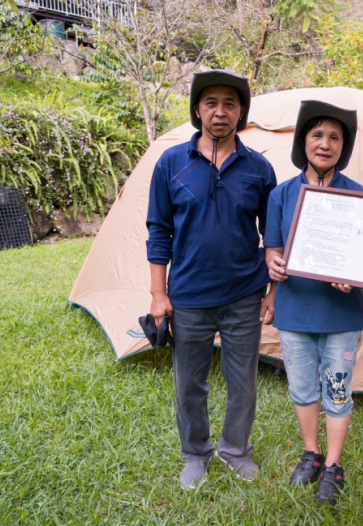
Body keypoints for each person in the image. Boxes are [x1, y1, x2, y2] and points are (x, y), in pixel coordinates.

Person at [146, 69, 277, 490]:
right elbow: (158, 231)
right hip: (188, 296)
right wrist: (158, 294)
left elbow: (271, 236)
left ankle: (235, 450)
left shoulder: (259, 169)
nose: (220, 112)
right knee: (190, 384)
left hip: (244, 294)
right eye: (211, 103)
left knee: (243, 381)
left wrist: (271, 291)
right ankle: (196, 454)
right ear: (197, 109)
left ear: (241, 112)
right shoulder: (171, 164)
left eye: (230, 104)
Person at [262, 101, 363, 505]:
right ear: (303, 141)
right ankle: (312, 452)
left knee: (337, 392)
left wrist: (352, 278)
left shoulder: (359, 196)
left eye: (335, 137)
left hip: (341, 314)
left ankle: (334, 465)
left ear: (344, 146)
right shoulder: (282, 195)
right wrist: (274, 265)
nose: (325, 144)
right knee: (303, 388)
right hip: (294, 311)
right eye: (317, 135)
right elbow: (272, 248)